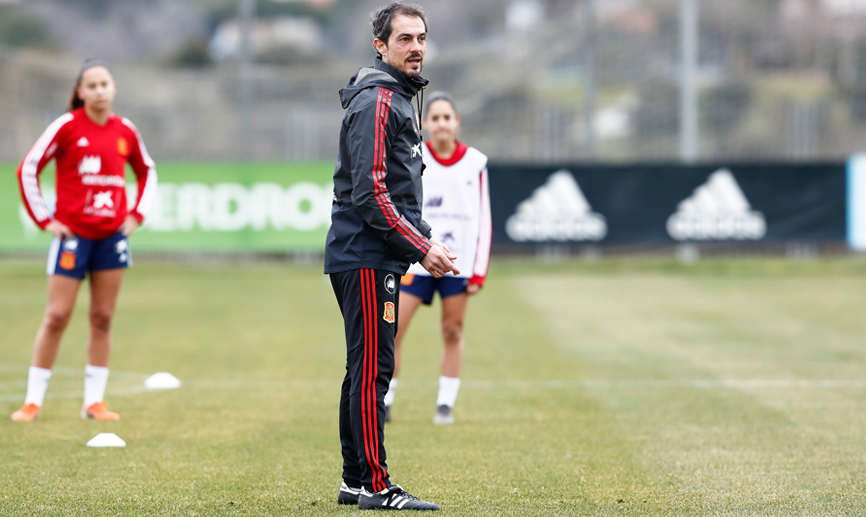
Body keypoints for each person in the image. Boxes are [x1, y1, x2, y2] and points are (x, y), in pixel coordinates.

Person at [324, 3, 456, 511]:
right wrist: (422, 246)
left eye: (421, 38)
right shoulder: (379, 101)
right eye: (404, 39)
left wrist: (424, 239)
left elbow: (396, 192)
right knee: (373, 369)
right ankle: (377, 487)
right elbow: (371, 194)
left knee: (366, 369)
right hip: (364, 254)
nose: (416, 47)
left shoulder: (398, 98)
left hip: (373, 252)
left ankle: (355, 481)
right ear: (380, 46)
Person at [12, 59, 157, 422]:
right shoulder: (65, 127)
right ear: (80, 92)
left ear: (113, 87)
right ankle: (33, 402)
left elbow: (147, 171)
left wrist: (136, 215)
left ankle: (94, 402)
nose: (99, 90)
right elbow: (28, 168)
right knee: (57, 316)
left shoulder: (125, 130)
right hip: (74, 237)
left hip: (111, 239)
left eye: (104, 83)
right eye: (91, 85)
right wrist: (45, 219)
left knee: (103, 317)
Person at [384, 92, 491, 425]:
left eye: (448, 117)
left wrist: (478, 272)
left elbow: (483, 218)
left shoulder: (475, 162)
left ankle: (445, 403)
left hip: (457, 263)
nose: (442, 123)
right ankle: (384, 400)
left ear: (456, 122)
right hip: (417, 259)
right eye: (435, 118)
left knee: (452, 330)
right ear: (424, 123)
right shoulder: (414, 158)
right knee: (395, 330)